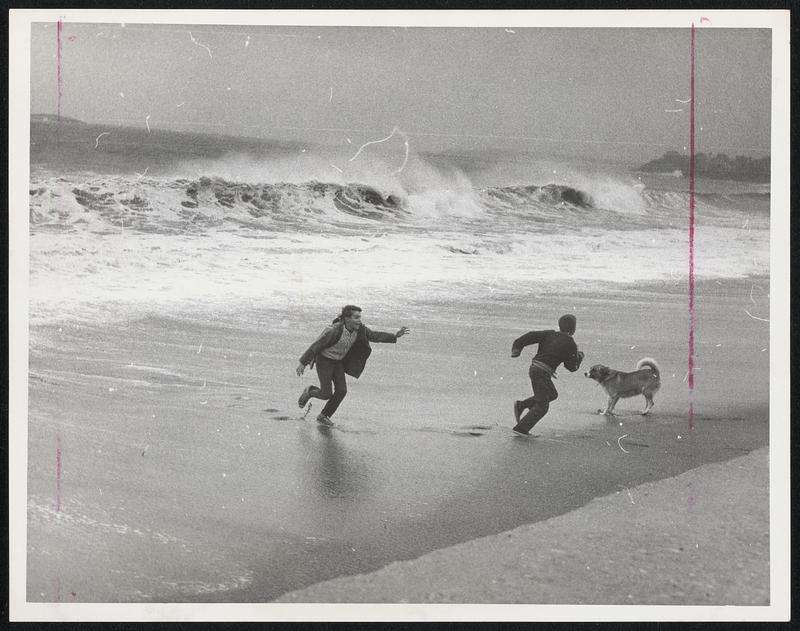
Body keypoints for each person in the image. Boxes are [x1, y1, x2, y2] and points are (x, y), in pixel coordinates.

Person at [296, 305, 410, 426]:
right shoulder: (334, 330)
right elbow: (316, 346)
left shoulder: (360, 329)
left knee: (341, 391)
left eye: (360, 317)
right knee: (326, 394)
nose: (359, 320)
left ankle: (324, 415)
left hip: (338, 362)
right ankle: (309, 391)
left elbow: (374, 336)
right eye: (356, 317)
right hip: (324, 361)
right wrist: (303, 363)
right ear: (346, 318)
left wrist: (394, 336)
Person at [510, 314, 585, 435]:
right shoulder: (571, 344)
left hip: (535, 369)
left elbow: (529, 336)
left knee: (552, 394)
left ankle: (522, 405)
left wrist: (517, 348)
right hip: (542, 373)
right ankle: (521, 429)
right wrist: (579, 357)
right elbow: (571, 367)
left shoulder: (549, 334)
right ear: (574, 329)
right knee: (542, 407)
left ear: (559, 325)